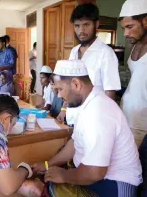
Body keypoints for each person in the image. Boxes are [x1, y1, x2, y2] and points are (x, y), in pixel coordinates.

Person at [32, 60, 142, 197]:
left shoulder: (98, 111)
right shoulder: (88, 102)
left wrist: (65, 175)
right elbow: (75, 143)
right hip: (95, 175)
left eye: (60, 89)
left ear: (76, 84)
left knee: (47, 189)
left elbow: (95, 172)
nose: (59, 96)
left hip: (113, 184)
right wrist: (48, 164)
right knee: (45, 182)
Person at [57, 3, 121, 125]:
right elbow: (69, 85)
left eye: (86, 24)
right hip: (73, 118)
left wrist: (102, 122)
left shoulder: (106, 53)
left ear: (96, 24)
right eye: (77, 25)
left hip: (94, 121)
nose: (81, 30)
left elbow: (110, 93)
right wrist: (64, 109)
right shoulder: (74, 51)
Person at [119, 0, 147, 147]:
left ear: (145, 21)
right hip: (126, 117)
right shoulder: (135, 45)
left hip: (143, 127)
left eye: (130, 27)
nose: (125, 33)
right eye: (124, 28)